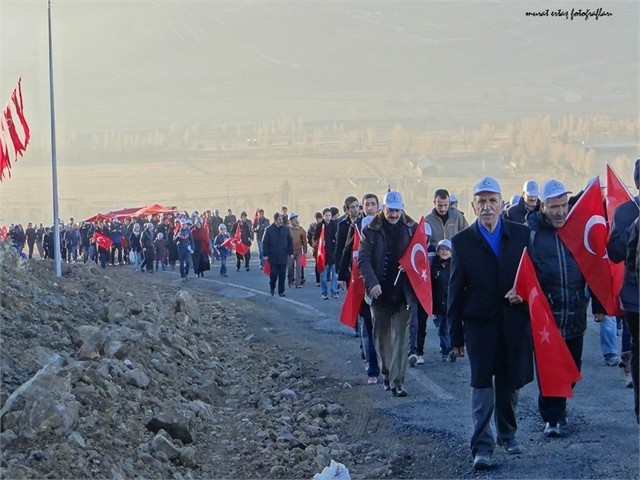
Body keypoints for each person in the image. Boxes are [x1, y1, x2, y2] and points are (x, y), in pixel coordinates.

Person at [448, 176, 533, 470]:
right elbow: (455, 292)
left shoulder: (521, 235)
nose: (487, 207)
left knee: (509, 383)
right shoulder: (462, 242)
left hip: (513, 323)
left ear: (501, 204)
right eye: (481, 201)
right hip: (479, 327)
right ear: (473, 206)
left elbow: (535, 279)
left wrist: (522, 293)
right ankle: (482, 446)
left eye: (492, 200)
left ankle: (508, 435)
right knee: (482, 385)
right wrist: (455, 337)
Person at [526, 179, 598, 437]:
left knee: (571, 370)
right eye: (554, 206)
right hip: (547, 317)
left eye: (564, 205)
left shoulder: (577, 229)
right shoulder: (532, 233)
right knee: (549, 370)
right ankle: (552, 418)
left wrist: (598, 302)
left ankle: (559, 407)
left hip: (576, 312)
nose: (560, 211)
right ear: (543, 206)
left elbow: (594, 266)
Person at [358, 190, 418, 398]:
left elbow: (420, 258)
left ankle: (398, 381)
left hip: (404, 292)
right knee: (382, 338)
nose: (394, 214)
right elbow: (363, 261)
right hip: (380, 292)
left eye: (397, 210)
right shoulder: (370, 230)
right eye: (390, 210)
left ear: (402, 209)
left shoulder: (413, 230)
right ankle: (386, 373)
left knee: (401, 339)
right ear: (383, 209)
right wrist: (372, 283)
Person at [607, 159, 639, 423]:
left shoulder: (624, 212)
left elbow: (614, 253)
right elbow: (615, 253)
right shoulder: (628, 212)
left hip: (633, 296)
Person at [338, 193, 381, 384]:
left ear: (378, 207)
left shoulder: (385, 225)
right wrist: (341, 276)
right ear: (363, 208)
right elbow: (347, 250)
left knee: (383, 330)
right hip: (361, 285)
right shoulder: (356, 227)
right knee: (368, 328)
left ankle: (384, 364)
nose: (370, 207)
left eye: (373, 204)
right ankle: (373, 368)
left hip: (382, 286)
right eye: (367, 205)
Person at [428, 239, 454, 363]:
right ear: (437, 251)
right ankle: (446, 350)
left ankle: (449, 350)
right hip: (438, 304)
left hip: (451, 303)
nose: (444, 252)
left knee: (449, 328)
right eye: (442, 249)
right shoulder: (433, 267)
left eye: (447, 250)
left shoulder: (454, 266)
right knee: (442, 328)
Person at [262, 212, 293, 297]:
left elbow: (290, 241)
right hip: (273, 257)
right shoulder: (269, 230)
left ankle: (281, 291)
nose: (281, 221)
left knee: (282, 275)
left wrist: (291, 252)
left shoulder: (286, 229)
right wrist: (265, 254)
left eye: (281, 219)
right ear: (275, 220)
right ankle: (272, 287)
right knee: (274, 275)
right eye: (279, 219)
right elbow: (265, 243)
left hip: (283, 256)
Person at [315, 208, 339, 300]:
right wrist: (319, 245)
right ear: (323, 216)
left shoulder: (335, 225)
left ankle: (334, 291)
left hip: (333, 253)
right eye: (326, 215)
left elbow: (338, 237)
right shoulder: (320, 225)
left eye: (329, 215)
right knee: (324, 276)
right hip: (323, 254)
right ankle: (324, 292)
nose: (328, 217)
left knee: (335, 275)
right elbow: (315, 238)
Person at [287, 213, 307, 288]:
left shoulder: (301, 229)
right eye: (294, 220)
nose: (296, 221)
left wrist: (304, 251)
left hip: (298, 251)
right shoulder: (287, 229)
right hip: (290, 252)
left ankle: (298, 283)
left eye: (296, 219)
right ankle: (290, 280)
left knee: (299, 267)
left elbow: (304, 240)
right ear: (290, 221)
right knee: (290, 268)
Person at [307, 212, 323, 287]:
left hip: (323, 247)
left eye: (319, 219)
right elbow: (309, 236)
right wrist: (311, 244)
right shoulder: (312, 226)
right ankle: (318, 280)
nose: (318, 220)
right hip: (316, 248)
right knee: (317, 263)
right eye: (317, 219)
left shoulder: (324, 225)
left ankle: (325, 278)